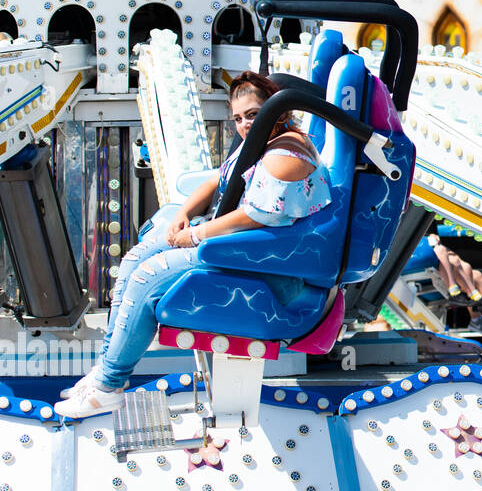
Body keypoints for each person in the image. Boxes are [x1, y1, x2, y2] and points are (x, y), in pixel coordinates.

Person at [55, 72, 333, 418]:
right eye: (238, 118)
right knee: (134, 260)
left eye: (253, 114)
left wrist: (197, 236)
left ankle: (110, 385)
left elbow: (258, 216)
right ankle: (105, 370)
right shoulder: (263, 141)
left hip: (273, 268)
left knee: (148, 279)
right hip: (246, 251)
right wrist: (184, 213)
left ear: (276, 110)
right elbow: (220, 176)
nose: (245, 124)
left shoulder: (286, 155)